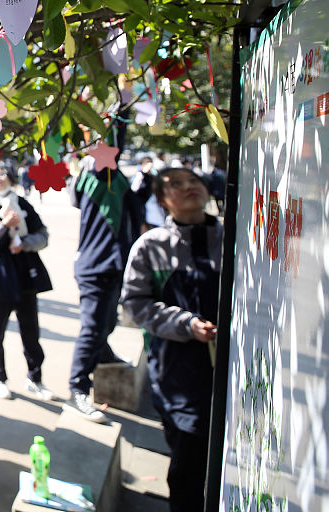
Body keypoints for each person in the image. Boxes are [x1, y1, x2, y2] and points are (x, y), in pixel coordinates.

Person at [121, 168, 221, 512]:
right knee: (187, 465)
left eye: (193, 180)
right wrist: (186, 324)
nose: (189, 187)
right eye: (175, 184)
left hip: (232, 371)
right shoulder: (151, 246)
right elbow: (135, 304)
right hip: (177, 374)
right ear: (163, 201)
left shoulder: (236, 238)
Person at [65, 143, 143, 423]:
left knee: (108, 321)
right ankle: (77, 388)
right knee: (93, 326)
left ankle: (104, 355)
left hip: (115, 265)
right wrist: (120, 105)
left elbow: (138, 211)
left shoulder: (120, 183)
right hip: (94, 267)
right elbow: (111, 142)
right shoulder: (92, 179)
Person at [0, 165, 54, 401]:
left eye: (3, 174)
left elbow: (43, 235)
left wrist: (25, 243)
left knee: (31, 330)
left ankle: (35, 378)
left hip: (26, 272)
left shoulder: (24, 204)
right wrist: (4, 225)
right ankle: (0, 379)